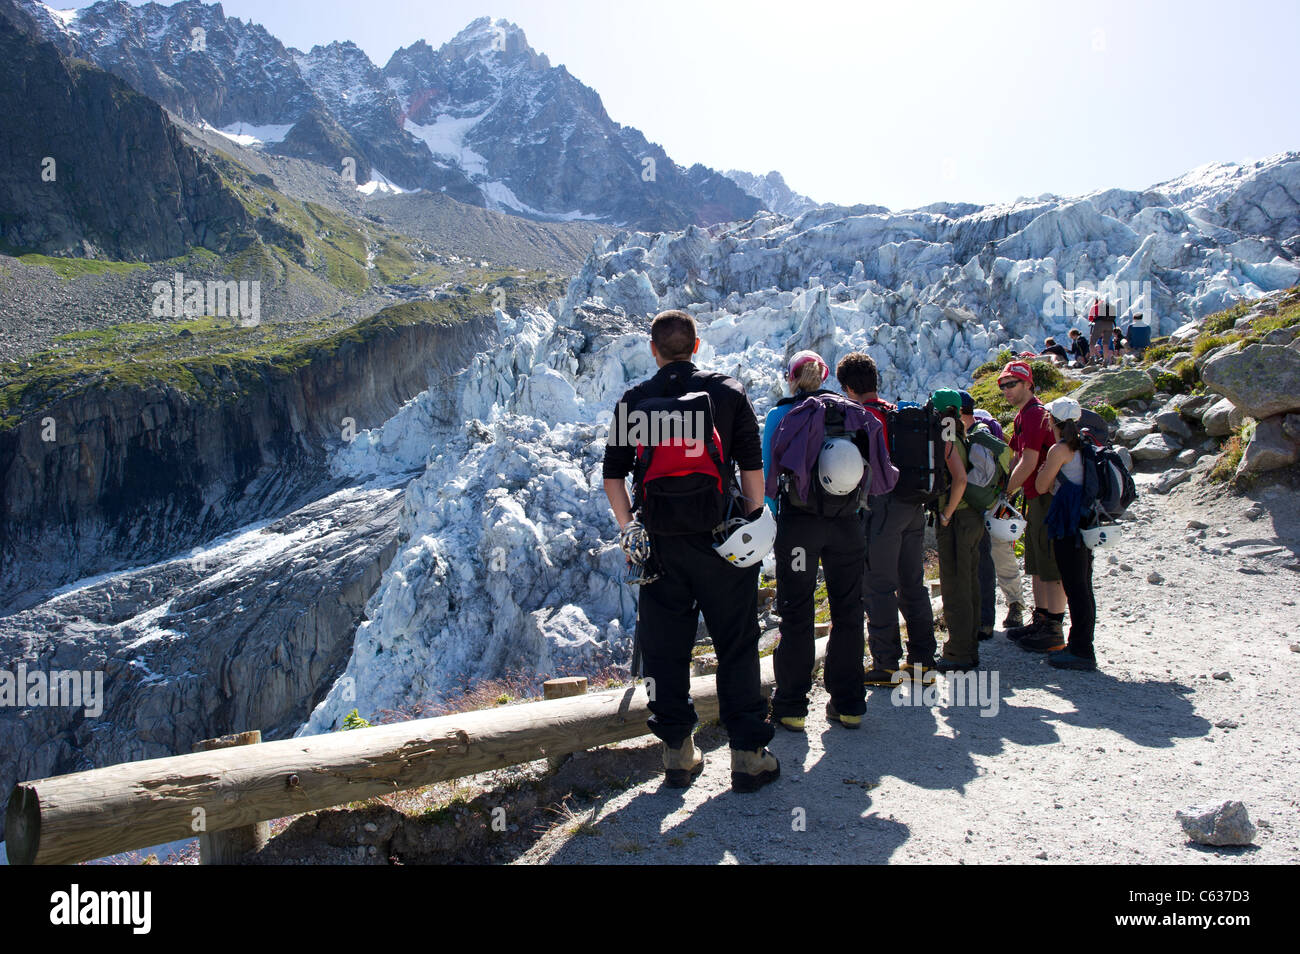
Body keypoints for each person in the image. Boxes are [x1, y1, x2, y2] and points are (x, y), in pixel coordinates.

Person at [602, 309, 780, 792]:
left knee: (665, 648)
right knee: (737, 643)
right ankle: (748, 755)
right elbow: (752, 469)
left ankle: (678, 753)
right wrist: (748, 519)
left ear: (654, 350)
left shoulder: (636, 400)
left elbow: (613, 476)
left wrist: (629, 530)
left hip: (659, 545)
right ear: (697, 346)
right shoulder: (728, 392)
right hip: (721, 539)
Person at [764, 351, 897, 730]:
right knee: (849, 611)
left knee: (797, 612)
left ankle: (791, 707)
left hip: (801, 530)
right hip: (846, 527)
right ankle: (850, 704)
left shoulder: (781, 415)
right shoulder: (852, 413)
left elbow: (769, 476)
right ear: (824, 377)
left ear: (791, 378)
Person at [837, 352, 937, 686]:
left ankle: (886, 663)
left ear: (848, 387)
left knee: (878, 584)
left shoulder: (860, 416)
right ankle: (923, 661)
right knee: (912, 582)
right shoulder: (896, 413)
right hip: (914, 504)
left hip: (881, 508)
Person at [998, 360, 1068, 650]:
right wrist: (1010, 490)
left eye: (1011, 384)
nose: (1006, 391)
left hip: (1046, 495)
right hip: (1033, 495)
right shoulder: (1022, 416)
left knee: (1049, 561)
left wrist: (1003, 493)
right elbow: (1015, 457)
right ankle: (1040, 620)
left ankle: (1053, 628)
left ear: (1028, 384)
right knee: (1036, 560)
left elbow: (1027, 462)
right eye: (1002, 386)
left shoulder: (1035, 414)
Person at [1034, 397, 1098, 670]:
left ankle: (1081, 650)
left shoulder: (1059, 450)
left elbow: (1040, 486)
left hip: (1066, 523)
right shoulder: (1087, 444)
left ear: (1053, 421)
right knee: (1084, 585)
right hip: (1086, 521)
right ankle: (1081, 644)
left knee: (1075, 587)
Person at [930, 389, 985, 672]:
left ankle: (958, 652)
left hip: (958, 519)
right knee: (969, 582)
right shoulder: (960, 431)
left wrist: (946, 514)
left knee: (955, 585)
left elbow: (960, 479)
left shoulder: (946, 435)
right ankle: (969, 646)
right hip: (972, 517)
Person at [967, 398, 1024, 636]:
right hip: (998, 503)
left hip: (978, 504)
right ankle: (1015, 605)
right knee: (1003, 554)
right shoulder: (998, 439)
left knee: (983, 559)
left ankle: (984, 616)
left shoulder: (975, 437)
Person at [1087, 298, 1116, 367]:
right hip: (1110, 324)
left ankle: (1092, 359)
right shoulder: (1108, 307)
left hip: (1099, 324)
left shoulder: (1095, 306)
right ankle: (1105, 360)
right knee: (1106, 343)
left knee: (1092, 342)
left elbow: (1090, 318)